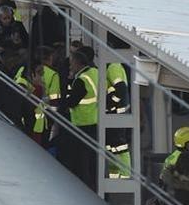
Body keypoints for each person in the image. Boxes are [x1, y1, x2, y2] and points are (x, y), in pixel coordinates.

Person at [59, 46, 99, 189]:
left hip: (82, 123)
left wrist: (60, 104)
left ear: (79, 63)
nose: (70, 66)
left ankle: (85, 188)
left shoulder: (81, 80)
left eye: (72, 63)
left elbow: (73, 101)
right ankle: (96, 187)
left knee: (82, 162)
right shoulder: (95, 72)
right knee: (93, 161)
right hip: (95, 121)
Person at [104, 59, 131, 178]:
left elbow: (121, 89)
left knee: (119, 147)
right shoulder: (113, 66)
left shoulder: (113, 67)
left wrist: (111, 102)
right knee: (113, 148)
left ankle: (125, 176)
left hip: (116, 113)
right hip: (116, 112)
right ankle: (115, 176)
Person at [32, 47, 62, 150]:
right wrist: (52, 121)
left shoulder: (25, 69)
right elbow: (54, 101)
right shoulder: (53, 75)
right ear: (49, 58)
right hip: (42, 121)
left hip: (25, 117)